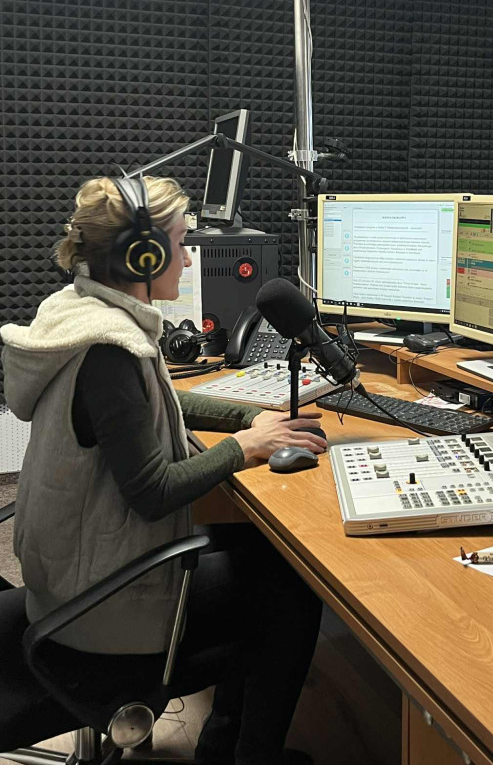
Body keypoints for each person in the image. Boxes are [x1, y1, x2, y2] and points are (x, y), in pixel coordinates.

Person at [1, 175, 327, 765]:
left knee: (259, 551)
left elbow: (158, 402)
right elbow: (153, 492)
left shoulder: (79, 312)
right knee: (292, 592)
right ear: (142, 257)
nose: (188, 257)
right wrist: (245, 447)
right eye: (180, 243)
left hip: (69, 581)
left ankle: (222, 747)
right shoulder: (109, 350)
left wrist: (251, 416)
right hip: (101, 614)